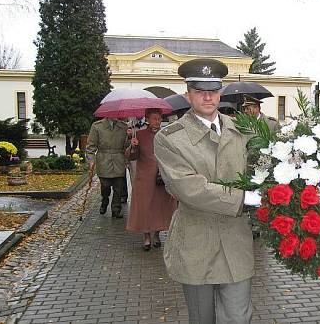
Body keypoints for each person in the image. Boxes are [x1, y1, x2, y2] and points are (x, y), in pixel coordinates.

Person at [154, 58, 261, 324]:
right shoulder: (169, 138)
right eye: (200, 90)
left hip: (235, 241)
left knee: (239, 317)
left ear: (220, 92)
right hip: (195, 242)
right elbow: (190, 188)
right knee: (202, 318)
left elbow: (259, 170)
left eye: (212, 89)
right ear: (187, 94)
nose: (207, 96)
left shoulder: (243, 130)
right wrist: (244, 199)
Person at [125, 108, 176, 251]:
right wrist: (133, 146)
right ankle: (146, 236)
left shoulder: (165, 135)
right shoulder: (140, 135)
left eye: (159, 119)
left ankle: (157, 234)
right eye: (154, 119)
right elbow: (130, 156)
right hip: (145, 179)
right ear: (147, 119)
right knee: (145, 208)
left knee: (160, 207)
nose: (157, 121)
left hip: (161, 178)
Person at [86, 117, 129, 218]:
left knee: (118, 187)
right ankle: (104, 199)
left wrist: (131, 139)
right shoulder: (97, 126)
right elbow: (90, 146)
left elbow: (126, 146)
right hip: (103, 160)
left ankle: (116, 209)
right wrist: (91, 160)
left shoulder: (123, 127)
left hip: (118, 160)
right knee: (105, 186)